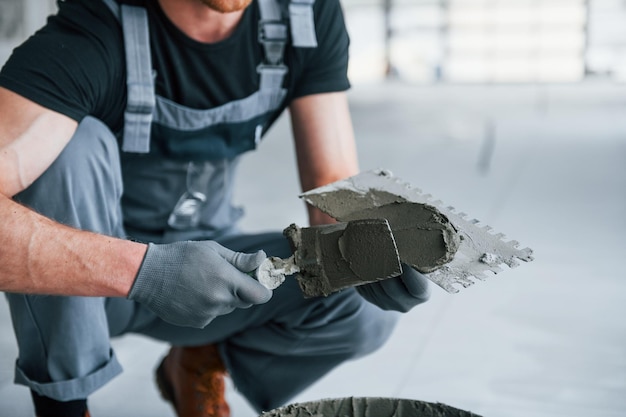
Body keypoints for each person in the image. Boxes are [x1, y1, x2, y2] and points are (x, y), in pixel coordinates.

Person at [0, 0, 431, 416]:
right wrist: (144, 270)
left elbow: (331, 185)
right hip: (88, 290)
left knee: (354, 302)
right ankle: (64, 407)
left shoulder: (303, 14)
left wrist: (358, 247)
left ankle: (200, 357)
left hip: (212, 271)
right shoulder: (89, 33)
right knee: (70, 147)